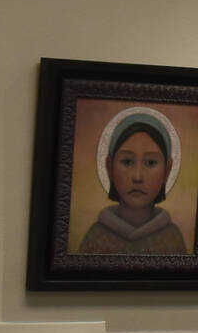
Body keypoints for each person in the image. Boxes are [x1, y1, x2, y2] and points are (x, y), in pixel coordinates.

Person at [77, 107, 188, 254]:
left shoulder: (172, 239)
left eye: (150, 163)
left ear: (167, 170)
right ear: (109, 167)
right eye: (127, 162)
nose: (137, 177)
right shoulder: (95, 238)